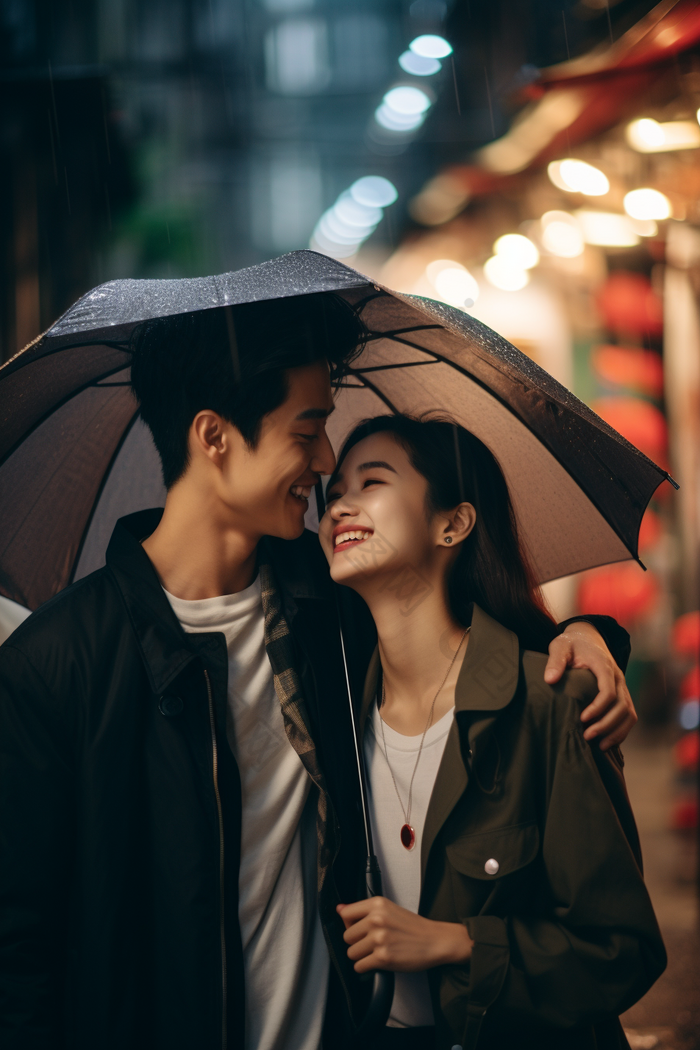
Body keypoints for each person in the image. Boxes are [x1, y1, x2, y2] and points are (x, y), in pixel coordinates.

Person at [0, 296, 637, 1050]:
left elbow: (467, 621)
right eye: (308, 431)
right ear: (214, 436)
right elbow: (20, 949)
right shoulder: (56, 661)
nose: (328, 464)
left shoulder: (331, 604)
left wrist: (589, 635)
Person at [318, 414, 666, 1050]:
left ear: (453, 523)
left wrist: (456, 943)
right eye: (334, 490)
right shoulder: (332, 717)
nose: (340, 505)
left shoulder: (544, 704)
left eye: (372, 482)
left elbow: (624, 949)